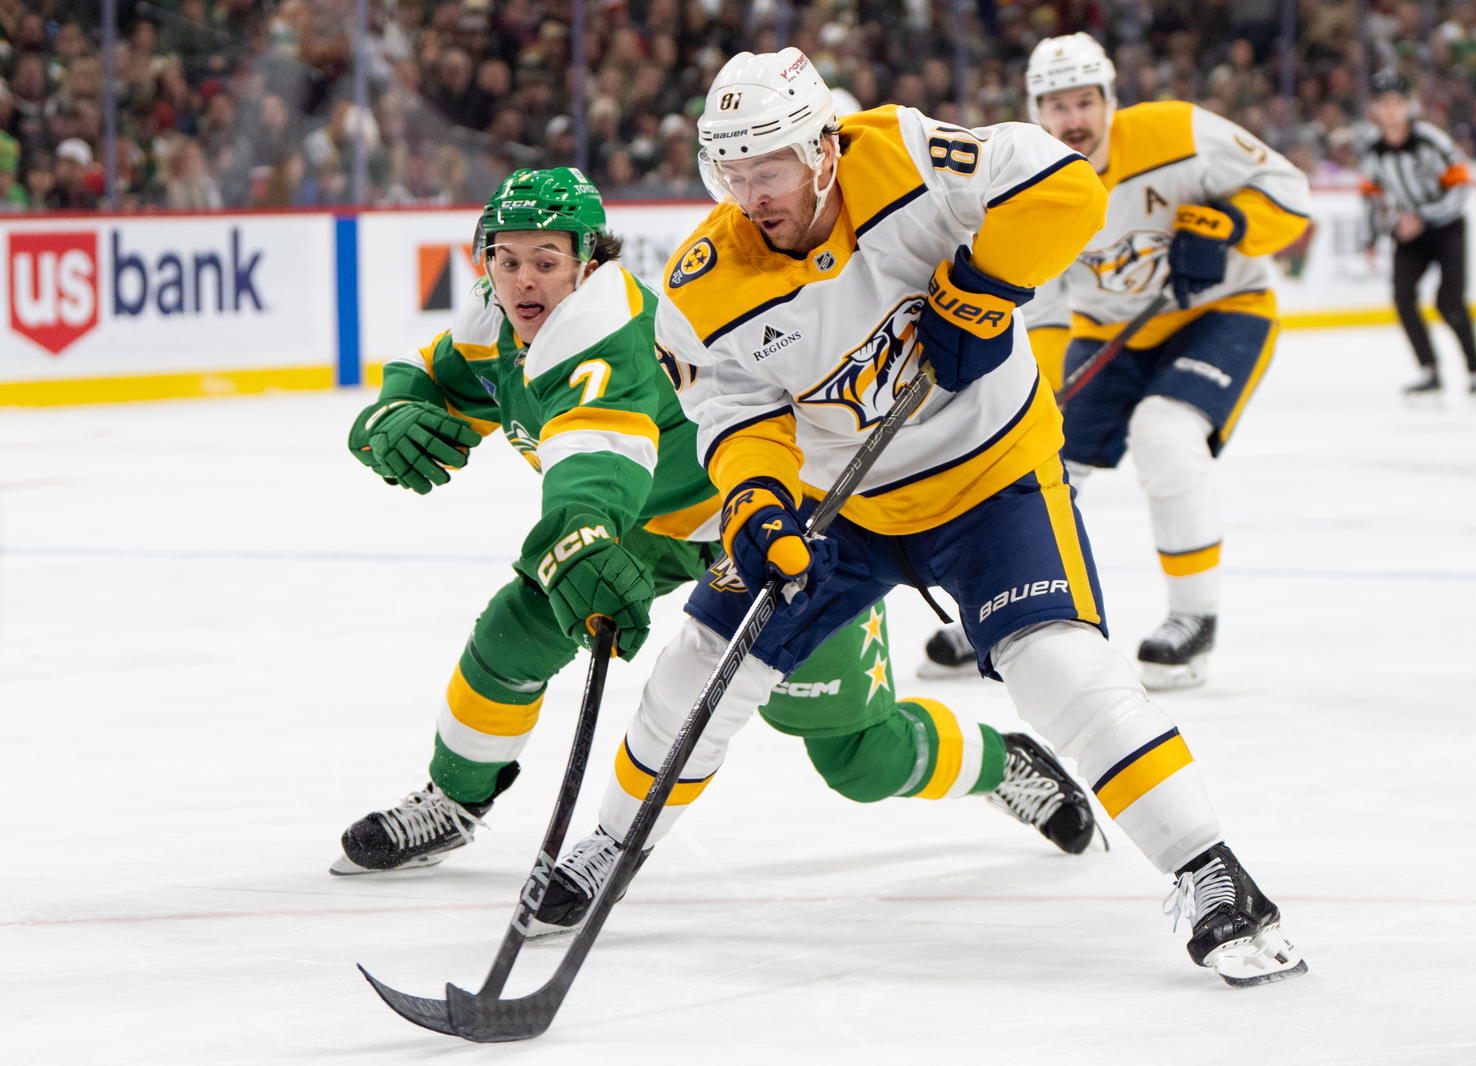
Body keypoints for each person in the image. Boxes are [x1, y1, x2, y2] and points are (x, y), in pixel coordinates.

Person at [545, 49, 1306, 986]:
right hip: (837, 505)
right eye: (730, 172)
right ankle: (611, 847)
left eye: (768, 169)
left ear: (822, 150)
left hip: (990, 475)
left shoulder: (903, 153)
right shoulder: (704, 282)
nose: (749, 195)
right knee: (703, 660)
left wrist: (986, 283)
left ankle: (1213, 875)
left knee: (1056, 666)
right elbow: (736, 414)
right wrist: (756, 501)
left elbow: (1066, 187)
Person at [330, 167, 1098, 880]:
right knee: (519, 625)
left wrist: (580, 536)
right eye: (507, 260)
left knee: (857, 755)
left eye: (546, 261)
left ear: (588, 263)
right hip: (651, 522)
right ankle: (453, 802)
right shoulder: (495, 318)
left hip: (768, 516)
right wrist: (387, 417)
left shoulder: (605, 333)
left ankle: (1003, 764)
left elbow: (598, 463)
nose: (524, 279)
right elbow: (432, 379)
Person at [926, 33, 1312, 691]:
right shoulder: (1029, 178)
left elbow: (1289, 191)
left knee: (1165, 434)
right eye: (1057, 106)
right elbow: (1044, 303)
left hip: (1222, 313)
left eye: (1085, 101)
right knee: (1036, 461)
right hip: (1109, 332)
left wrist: (1231, 224)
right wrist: (1039, 393)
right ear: (1036, 112)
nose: (1073, 118)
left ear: (1109, 99)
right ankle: (999, 608)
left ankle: (1194, 619)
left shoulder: (1177, 132)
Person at [1360, 71, 1476, 396]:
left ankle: (1475, 369)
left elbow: (1461, 186)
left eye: (1396, 102)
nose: (1390, 110)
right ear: (1375, 109)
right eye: (1383, 103)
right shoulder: (1372, 150)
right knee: (1403, 299)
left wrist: (1424, 217)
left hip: (1447, 229)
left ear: (1408, 105)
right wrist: (1371, 237)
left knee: (1450, 302)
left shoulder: (1432, 140)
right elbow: (1371, 197)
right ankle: (1428, 369)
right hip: (1409, 233)